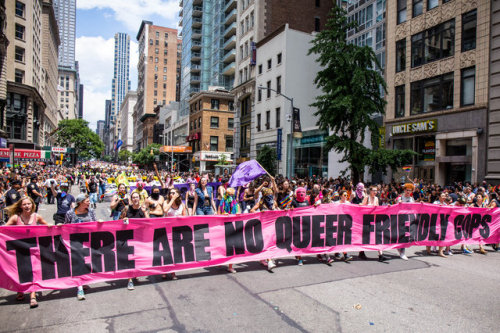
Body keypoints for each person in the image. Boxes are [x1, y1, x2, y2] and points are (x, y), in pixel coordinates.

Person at [6, 196, 50, 308]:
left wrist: (58, 227)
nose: (27, 206)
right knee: (20, 272)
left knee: (33, 272)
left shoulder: (37, 217)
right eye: (24, 204)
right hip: (19, 250)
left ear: (32, 205)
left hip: (34, 249)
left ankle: (33, 296)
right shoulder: (16, 218)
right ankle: (20, 290)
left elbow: (49, 227)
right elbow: (4, 230)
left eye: (29, 204)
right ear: (20, 206)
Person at [65, 194, 97, 300]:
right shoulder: (70, 213)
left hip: (89, 242)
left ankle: (83, 281)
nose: (89, 202)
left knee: (86, 263)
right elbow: (66, 227)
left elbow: (95, 223)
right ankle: (80, 288)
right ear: (80, 202)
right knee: (78, 264)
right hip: (75, 242)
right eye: (87, 201)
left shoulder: (91, 211)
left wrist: (99, 223)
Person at [120, 191, 150, 289]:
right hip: (128, 237)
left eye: (137, 197)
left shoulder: (143, 209)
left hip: (139, 238)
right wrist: (123, 220)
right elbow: (119, 221)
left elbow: (149, 222)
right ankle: (130, 280)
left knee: (137, 258)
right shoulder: (127, 208)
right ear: (131, 199)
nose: (135, 199)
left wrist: (145, 212)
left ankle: (135, 274)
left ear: (140, 198)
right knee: (130, 259)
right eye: (133, 197)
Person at [360, 185, 388, 262]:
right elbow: (361, 207)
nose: (375, 192)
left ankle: (381, 255)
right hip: (366, 220)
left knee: (377, 236)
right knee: (365, 237)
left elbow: (378, 208)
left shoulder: (376, 198)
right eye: (374, 190)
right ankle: (361, 252)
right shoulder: (367, 197)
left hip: (374, 219)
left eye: (376, 191)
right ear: (370, 191)